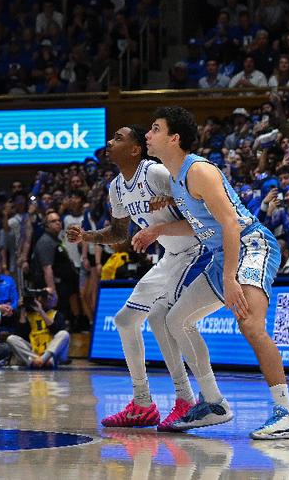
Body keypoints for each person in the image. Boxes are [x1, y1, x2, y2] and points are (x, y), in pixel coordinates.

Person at [146, 106, 289, 439]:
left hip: (251, 245)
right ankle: (214, 403)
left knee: (249, 324)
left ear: (174, 138)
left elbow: (230, 222)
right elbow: (197, 224)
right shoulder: (175, 179)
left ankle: (287, 414)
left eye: (155, 129)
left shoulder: (199, 171)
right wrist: (155, 232)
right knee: (176, 320)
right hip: (224, 255)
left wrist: (230, 279)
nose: (149, 134)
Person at [67, 125, 207, 430]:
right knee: (125, 321)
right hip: (170, 257)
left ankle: (187, 398)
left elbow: (198, 203)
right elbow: (119, 233)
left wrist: (171, 201)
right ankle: (143, 403)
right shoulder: (116, 188)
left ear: (134, 149)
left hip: (196, 252)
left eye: (118, 138)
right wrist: (87, 236)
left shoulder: (155, 173)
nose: (109, 141)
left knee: (160, 318)